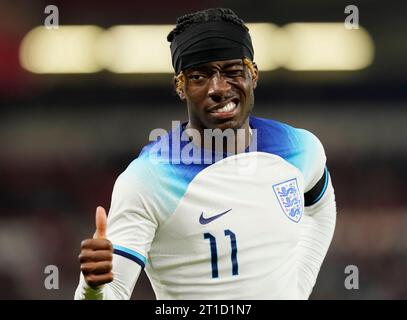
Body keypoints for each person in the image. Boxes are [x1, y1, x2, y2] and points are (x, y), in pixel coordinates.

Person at [74, 7, 336, 300]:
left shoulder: (300, 148)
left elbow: (320, 208)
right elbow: (114, 292)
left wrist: (300, 286)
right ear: (180, 86)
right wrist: (92, 287)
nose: (219, 88)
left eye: (233, 72)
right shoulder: (149, 178)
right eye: (199, 76)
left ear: (253, 75)